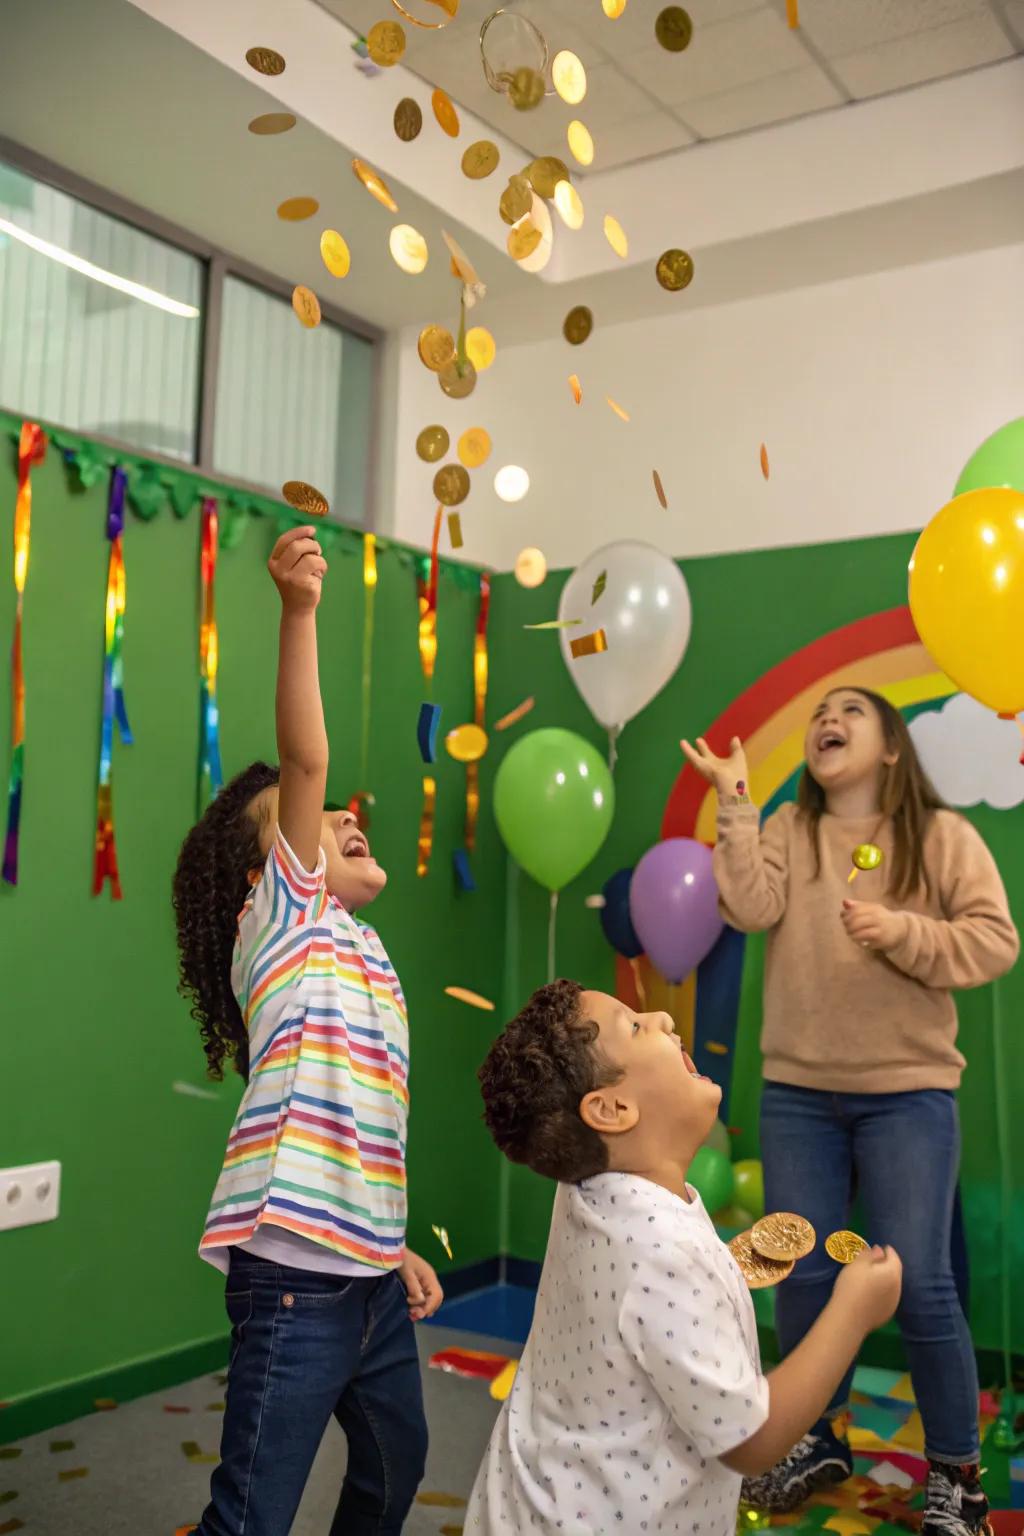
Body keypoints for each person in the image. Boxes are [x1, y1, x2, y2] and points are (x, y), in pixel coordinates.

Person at [682, 686, 1019, 1532]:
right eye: (820, 712)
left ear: (894, 748)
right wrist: (733, 804)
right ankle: (818, 1438)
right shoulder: (792, 832)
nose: (827, 719)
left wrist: (904, 932)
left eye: (851, 711)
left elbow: (994, 940)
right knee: (803, 1271)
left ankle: (956, 1479)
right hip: (798, 1096)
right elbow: (748, 907)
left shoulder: (941, 837)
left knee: (922, 1286)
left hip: (908, 1096)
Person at [172, 524, 441, 1536]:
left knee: (395, 1464)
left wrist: (392, 1244)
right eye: (314, 818)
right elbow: (305, 752)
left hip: (365, 1276)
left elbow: (357, 1124)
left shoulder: (366, 955)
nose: (341, 814)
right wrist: (298, 612)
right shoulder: (280, 924)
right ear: (268, 872)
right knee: (251, 1512)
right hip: (290, 1279)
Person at [465, 979, 902, 1536]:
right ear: (612, 1108)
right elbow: (754, 1441)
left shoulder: (584, 1188)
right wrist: (854, 1312)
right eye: (636, 1026)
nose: (664, 1021)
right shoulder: (665, 1255)